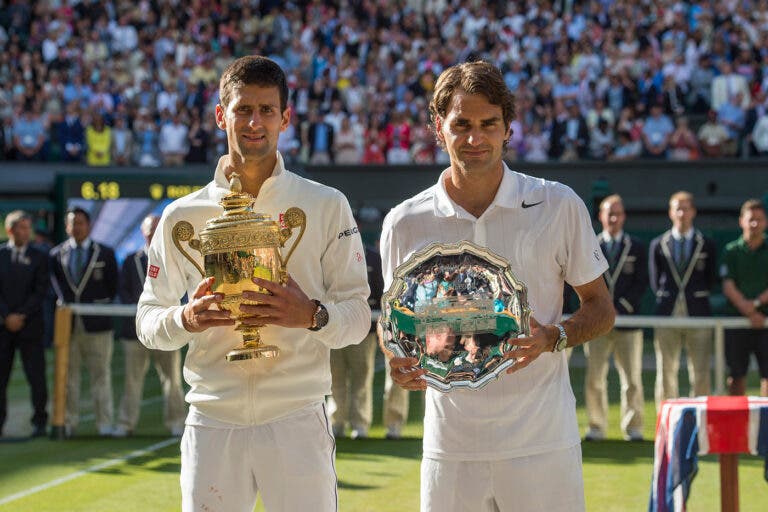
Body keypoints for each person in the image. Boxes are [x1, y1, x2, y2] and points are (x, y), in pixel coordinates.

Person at [136, 56, 371, 512]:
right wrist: (185, 318)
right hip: (211, 417)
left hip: (297, 416)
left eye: (266, 110)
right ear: (221, 115)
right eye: (243, 109)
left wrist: (313, 316)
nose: (254, 122)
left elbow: (358, 316)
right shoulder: (182, 215)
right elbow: (147, 320)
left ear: (286, 117)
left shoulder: (324, 204)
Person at [381, 61, 614, 512]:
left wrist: (554, 336)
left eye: (489, 124)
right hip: (450, 448)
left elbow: (600, 307)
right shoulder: (404, 221)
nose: (475, 138)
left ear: (508, 128)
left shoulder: (558, 203)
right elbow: (390, 322)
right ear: (438, 127)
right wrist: (396, 357)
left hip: (543, 443)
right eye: (461, 124)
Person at [113, 215, 185, 438]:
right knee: (132, 381)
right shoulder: (129, 260)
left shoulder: (173, 259)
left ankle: (177, 422)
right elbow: (123, 292)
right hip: (135, 332)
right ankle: (126, 423)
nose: (152, 233)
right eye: (148, 230)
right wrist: (144, 312)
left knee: (172, 380)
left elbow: (180, 292)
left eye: (156, 229)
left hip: (166, 329)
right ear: (142, 233)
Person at [584, 195, 648, 442]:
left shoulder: (637, 246)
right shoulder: (589, 244)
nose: (613, 218)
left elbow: (642, 282)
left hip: (628, 323)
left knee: (632, 379)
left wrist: (619, 307)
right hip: (597, 325)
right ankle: (596, 427)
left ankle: (633, 428)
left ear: (624, 217)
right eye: (608, 213)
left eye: (617, 214)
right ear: (600, 216)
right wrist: (600, 310)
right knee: (595, 378)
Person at [49, 207, 118, 437]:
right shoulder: (57, 254)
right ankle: (69, 422)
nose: (76, 227)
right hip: (68, 327)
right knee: (69, 378)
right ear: (67, 226)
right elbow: (57, 289)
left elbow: (112, 286)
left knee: (101, 376)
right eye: (72, 223)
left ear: (88, 226)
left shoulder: (105, 253)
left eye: (80, 222)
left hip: (98, 326)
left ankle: (104, 423)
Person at [649, 192, 717, 406]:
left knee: (700, 370)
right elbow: (654, 280)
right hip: (667, 313)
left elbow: (711, 277)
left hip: (698, 311)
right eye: (677, 208)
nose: (682, 213)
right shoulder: (658, 244)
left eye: (686, 208)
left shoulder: (706, 243)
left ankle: (699, 419)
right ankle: (667, 419)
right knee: (666, 369)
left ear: (693, 212)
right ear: (671, 213)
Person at [329, 230, 384, 439]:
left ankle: (360, 424)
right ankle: (336, 422)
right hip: (334, 326)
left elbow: (379, 289)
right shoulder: (330, 254)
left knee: (361, 377)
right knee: (336, 378)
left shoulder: (371, 256)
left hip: (363, 328)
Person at [0, 211, 49, 438]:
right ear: (10, 230)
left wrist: (20, 316)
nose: (26, 232)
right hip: (3, 328)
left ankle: (40, 421)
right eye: (21, 227)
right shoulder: (0, 255)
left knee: (36, 376)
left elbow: (40, 292)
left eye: (28, 227)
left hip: (30, 327)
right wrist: (6, 316)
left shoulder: (39, 257)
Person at [720, 199, 768, 397]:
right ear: (741, 221)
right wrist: (746, 309)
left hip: (765, 323)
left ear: (765, 222)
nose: (754, 224)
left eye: (759, 219)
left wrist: (755, 306)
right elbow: (727, 284)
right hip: (737, 323)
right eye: (751, 219)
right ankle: (736, 424)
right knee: (736, 375)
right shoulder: (731, 250)